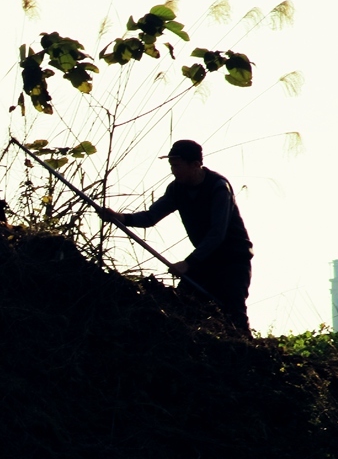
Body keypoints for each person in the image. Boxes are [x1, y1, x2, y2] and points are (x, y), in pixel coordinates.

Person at [97, 140, 253, 334]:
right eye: (172, 166)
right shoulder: (176, 190)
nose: (173, 171)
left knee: (234, 314)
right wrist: (120, 218)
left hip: (232, 260)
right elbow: (150, 217)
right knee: (183, 305)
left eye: (177, 166)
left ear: (195, 165)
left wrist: (189, 263)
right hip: (204, 260)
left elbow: (217, 234)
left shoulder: (218, 188)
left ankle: (250, 356)